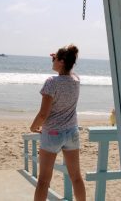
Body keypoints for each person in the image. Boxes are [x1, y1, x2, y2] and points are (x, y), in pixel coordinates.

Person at [30, 44, 86, 201]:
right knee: (76, 177)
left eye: (54, 59)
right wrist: (63, 58)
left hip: (53, 134)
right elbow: (70, 72)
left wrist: (33, 127)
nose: (52, 61)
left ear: (61, 61)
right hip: (72, 133)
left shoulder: (51, 82)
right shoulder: (76, 80)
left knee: (43, 181)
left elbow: (43, 114)